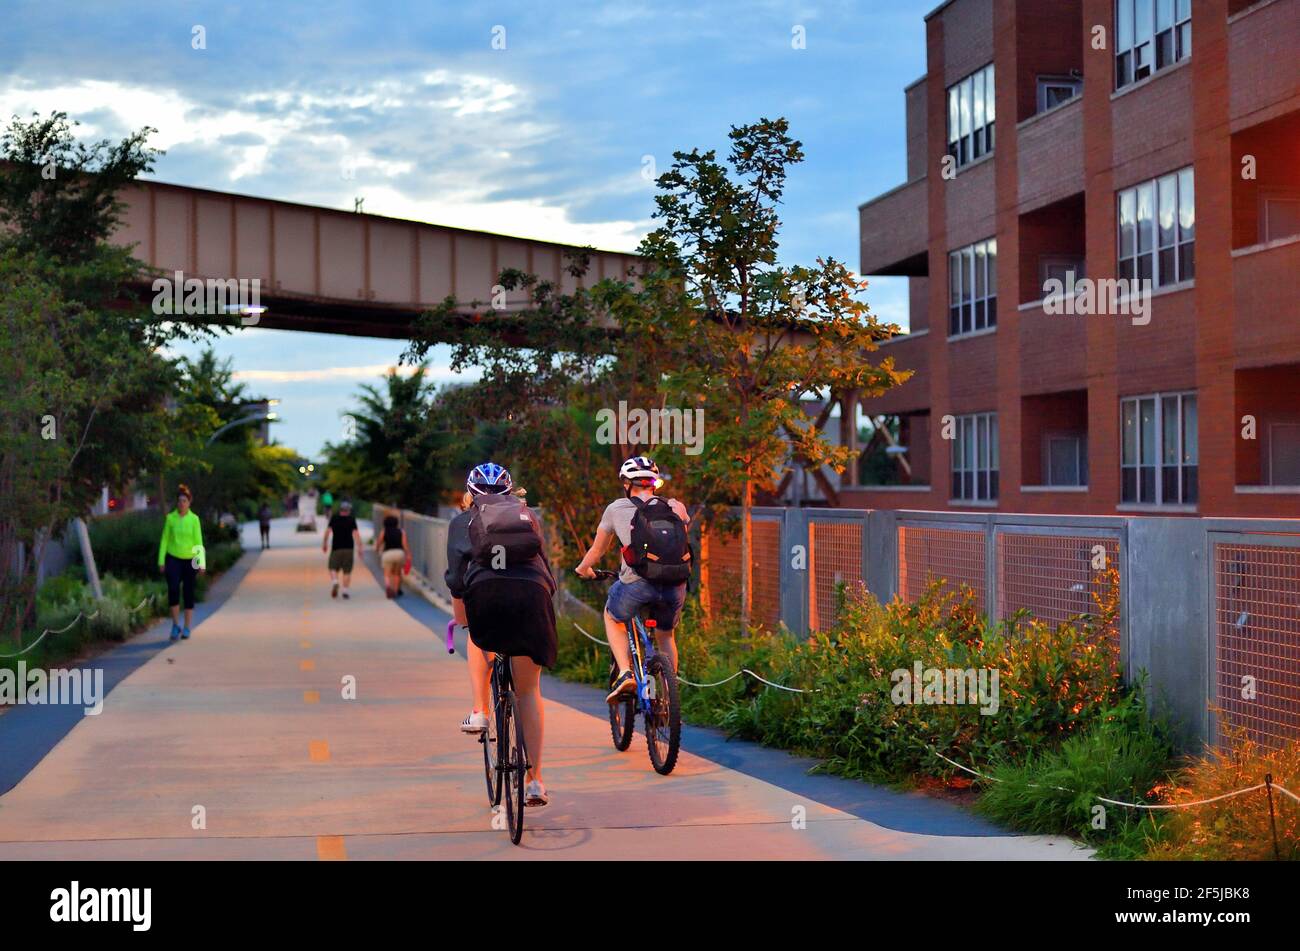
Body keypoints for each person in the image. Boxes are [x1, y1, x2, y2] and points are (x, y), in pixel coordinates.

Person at [446, 462, 556, 807]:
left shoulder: (462, 521)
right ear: (510, 492)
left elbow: (457, 582)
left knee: (475, 633)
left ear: (470, 494)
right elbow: (544, 569)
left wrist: (463, 621)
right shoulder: (526, 517)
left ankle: (480, 710)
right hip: (531, 596)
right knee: (528, 690)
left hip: (486, 595)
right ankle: (535, 780)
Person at [575, 455, 691, 702]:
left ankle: (625, 673)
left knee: (612, 616)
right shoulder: (675, 507)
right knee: (665, 635)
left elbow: (598, 550)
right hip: (675, 585)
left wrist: (584, 568)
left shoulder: (616, 508)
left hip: (637, 585)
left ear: (627, 484)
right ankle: (670, 697)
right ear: (654, 483)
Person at [157, 484, 206, 641]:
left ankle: (187, 627)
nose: (181, 504)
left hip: (190, 559)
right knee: (173, 589)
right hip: (173, 558)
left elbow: (199, 541)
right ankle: (175, 624)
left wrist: (201, 562)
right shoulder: (170, 518)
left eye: (184, 501)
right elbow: (164, 539)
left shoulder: (194, 519)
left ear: (189, 502)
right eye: (179, 501)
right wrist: (161, 560)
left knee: (188, 592)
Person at [322, 500, 362, 599]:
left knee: (332, 567)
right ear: (348, 510)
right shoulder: (351, 519)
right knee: (347, 571)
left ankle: (335, 582)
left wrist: (325, 543)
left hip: (336, 548)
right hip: (349, 548)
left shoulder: (334, 518)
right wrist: (360, 547)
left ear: (340, 510)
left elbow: (327, 532)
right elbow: (356, 534)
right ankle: (345, 591)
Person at [375, 514, 411, 598]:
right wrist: (408, 555)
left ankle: (388, 587)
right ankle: (395, 591)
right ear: (396, 523)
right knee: (397, 573)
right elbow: (405, 545)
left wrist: (377, 550)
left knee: (387, 573)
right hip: (399, 553)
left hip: (387, 554)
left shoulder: (383, 531)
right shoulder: (401, 532)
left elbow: (379, 543)